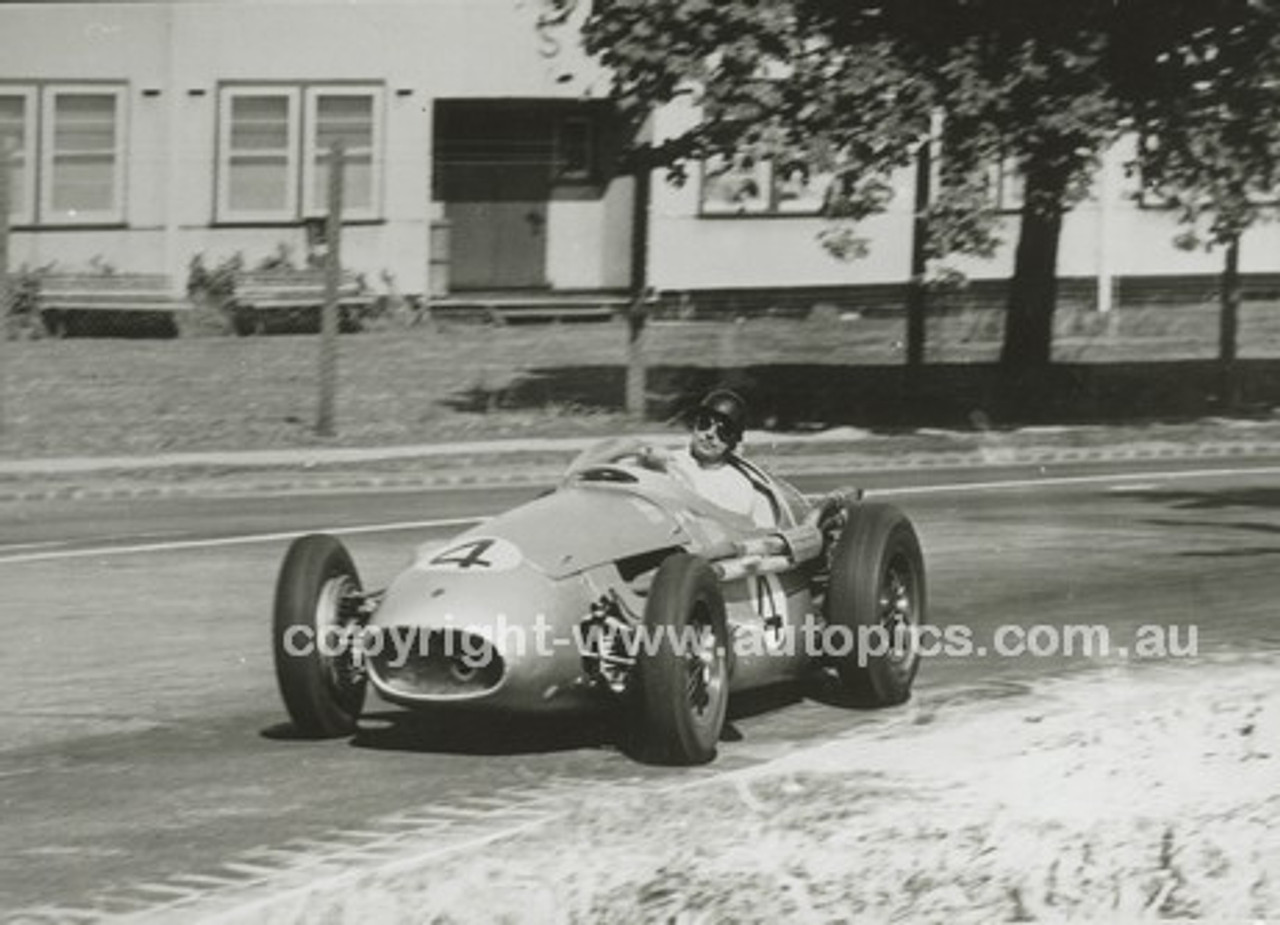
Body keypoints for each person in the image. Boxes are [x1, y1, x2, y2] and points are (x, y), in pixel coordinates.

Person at [572, 389, 777, 528]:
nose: (709, 434)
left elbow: (718, 519)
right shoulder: (668, 458)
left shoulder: (738, 484)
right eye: (705, 423)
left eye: (723, 431)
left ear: (734, 441)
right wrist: (637, 453)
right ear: (695, 425)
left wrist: (668, 471)